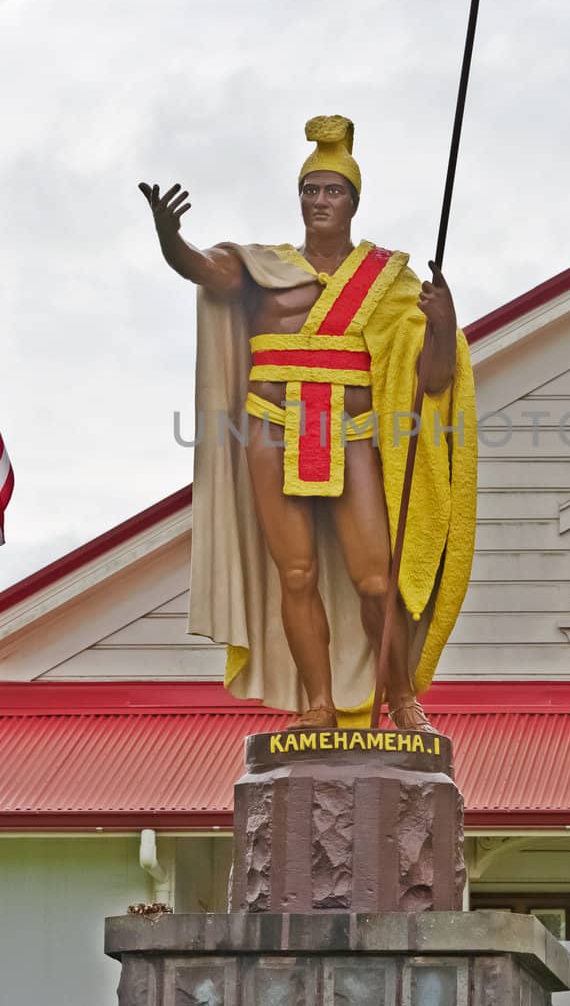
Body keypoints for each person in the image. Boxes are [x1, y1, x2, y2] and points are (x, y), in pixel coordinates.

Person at [142, 115, 476, 731]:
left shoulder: (388, 280)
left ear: (353, 201)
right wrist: (170, 239)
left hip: (349, 434)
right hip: (271, 426)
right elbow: (202, 268)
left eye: (334, 191)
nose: (321, 201)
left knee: (376, 578)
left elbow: (433, 379)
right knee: (295, 574)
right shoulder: (262, 266)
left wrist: (441, 321)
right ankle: (318, 703)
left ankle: (401, 700)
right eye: (311, 190)